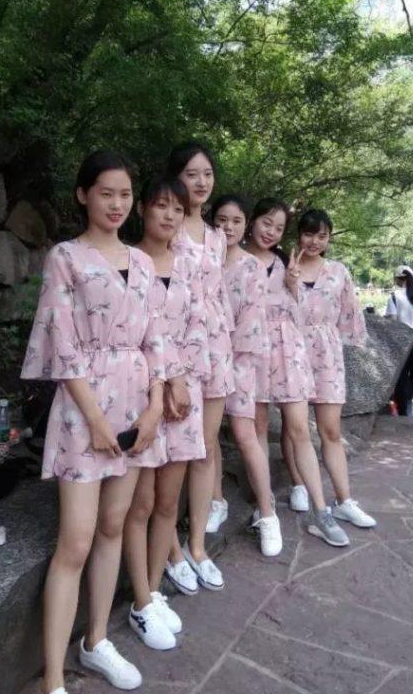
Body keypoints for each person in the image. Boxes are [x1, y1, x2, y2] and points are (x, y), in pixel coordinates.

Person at [21, 150, 167, 694]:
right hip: (85, 409)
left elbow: (156, 339)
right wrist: (95, 420)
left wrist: (155, 405)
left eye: (125, 194)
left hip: (137, 403)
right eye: (106, 193)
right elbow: (62, 343)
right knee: (77, 540)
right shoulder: (66, 256)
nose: (117, 204)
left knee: (113, 526)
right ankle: (54, 680)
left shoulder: (143, 262)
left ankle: (97, 639)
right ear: (83, 195)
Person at [123, 177, 209, 651]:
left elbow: (199, 324)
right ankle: (139, 599)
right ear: (143, 209)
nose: (170, 215)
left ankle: (154, 592)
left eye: (177, 208)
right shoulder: (128, 261)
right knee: (139, 505)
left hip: (185, 394)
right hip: (143, 391)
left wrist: (184, 380)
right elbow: (135, 330)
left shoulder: (188, 264)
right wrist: (169, 379)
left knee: (166, 504)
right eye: (161, 206)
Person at [245, 197, 349, 547]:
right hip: (250, 352)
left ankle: (322, 510)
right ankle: (265, 508)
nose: (271, 231)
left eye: (278, 227)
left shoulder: (283, 263)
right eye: (266, 223)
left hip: (287, 352)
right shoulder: (233, 259)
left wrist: (291, 285)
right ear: (251, 222)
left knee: (300, 429)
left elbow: (298, 312)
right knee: (257, 429)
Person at [165, 142, 235, 593]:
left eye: (207, 173)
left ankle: (196, 546)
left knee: (206, 446)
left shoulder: (217, 235)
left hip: (216, 345)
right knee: (175, 449)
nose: (201, 182)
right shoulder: (166, 226)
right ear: (176, 177)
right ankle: (169, 548)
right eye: (192, 174)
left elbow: (219, 291)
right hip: (177, 346)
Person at [292, 209, 376, 530]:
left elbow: (350, 314)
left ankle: (344, 501)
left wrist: (347, 347)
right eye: (309, 234)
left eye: (322, 235)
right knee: (295, 428)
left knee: (331, 431)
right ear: (298, 235)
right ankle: (300, 485)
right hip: (292, 352)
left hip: (327, 354)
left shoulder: (338, 271)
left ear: (328, 238)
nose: (315, 241)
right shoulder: (285, 269)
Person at [211, 194, 282, 556]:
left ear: (246, 225)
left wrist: (228, 354)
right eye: (222, 220)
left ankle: (267, 513)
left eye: (236, 221)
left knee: (244, 432)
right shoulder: (202, 259)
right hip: (205, 358)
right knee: (208, 434)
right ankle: (216, 500)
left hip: (238, 358)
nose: (228, 227)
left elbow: (252, 322)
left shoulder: (252, 266)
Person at [385, 265, 413, 417]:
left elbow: (392, 321)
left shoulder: (394, 296)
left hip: (403, 343)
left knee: (402, 376)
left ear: (398, 279)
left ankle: (403, 410)